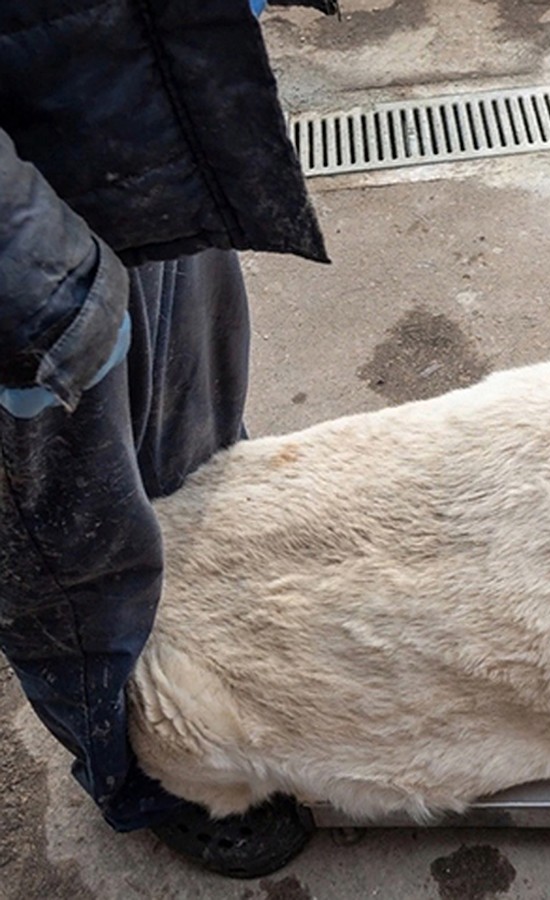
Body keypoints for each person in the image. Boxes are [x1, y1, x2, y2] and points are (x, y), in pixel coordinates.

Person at [0, 0, 337, 878]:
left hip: (117, 119)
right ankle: (153, 777)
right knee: (77, 574)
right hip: (17, 250)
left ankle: (230, 667)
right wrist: (32, 290)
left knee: (203, 461)